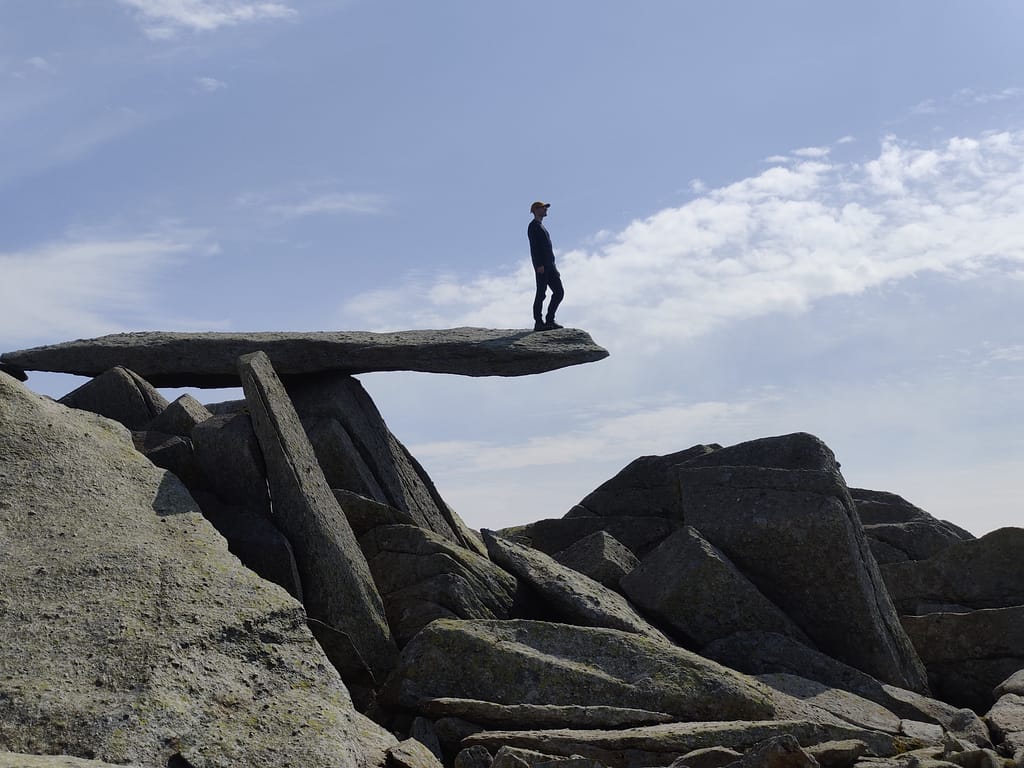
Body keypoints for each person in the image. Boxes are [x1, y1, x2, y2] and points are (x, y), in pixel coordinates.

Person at [528, 201, 564, 331]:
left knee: (559, 292)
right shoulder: (533, 226)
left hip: (550, 266)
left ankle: (550, 320)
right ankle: (538, 322)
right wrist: (539, 265)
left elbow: (547, 249)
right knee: (541, 294)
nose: (545, 210)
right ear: (536, 210)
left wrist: (554, 267)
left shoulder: (541, 226)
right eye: (543, 208)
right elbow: (535, 248)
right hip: (542, 267)